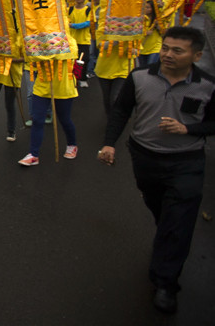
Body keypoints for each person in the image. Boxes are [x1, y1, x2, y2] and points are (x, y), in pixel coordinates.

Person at [98, 27, 215, 314]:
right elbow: (121, 110)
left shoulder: (208, 86)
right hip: (145, 158)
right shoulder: (139, 77)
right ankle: (168, 234)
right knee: (160, 209)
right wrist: (109, 144)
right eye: (165, 48)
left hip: (186, 162)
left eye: (177, 50)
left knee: (179, 220)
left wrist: (188, 128)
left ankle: (166, 283)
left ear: (196, 55)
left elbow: (213, 123)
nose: (167, 54)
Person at [18, 63, 79, 166]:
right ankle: (33, 154)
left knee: (64, 119)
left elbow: (69, 53)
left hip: (63, 86)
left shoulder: (71, 46)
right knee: (37, 119)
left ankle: (72, 145)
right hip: (42, 86)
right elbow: (32, 60)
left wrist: (47, 53)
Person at [68, 0, 93, 88]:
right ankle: (72, 79)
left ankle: (82, 79)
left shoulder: (88, 10)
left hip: (84, 40)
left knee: (84, 60)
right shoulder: (70, 9)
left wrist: (73, 25)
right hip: (71, 40)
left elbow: (88, 23)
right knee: (71, 61)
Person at [139, 0, 163, 68]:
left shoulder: (157, 19)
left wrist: (158, 26)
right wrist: (145, 33)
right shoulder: (140, 19)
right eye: (144, 7)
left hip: (154, 47)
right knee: (142, 68)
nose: (145, 9)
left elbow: (163, 32)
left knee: (150, 67)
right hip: (142, 48)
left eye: (147, 7)